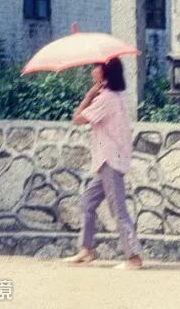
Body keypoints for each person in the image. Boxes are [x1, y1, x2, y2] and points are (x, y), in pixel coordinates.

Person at [62, 58, 144, 269]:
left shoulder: (106, 98)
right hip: (106, 160)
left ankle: (134, 257)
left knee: (118, 210)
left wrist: (89, 95)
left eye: (96, 67)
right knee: (87, 203)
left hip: (110, 160)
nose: (92, 70)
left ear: (105, 72)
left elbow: (77, 119)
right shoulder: (115, 96)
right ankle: (86, 249)